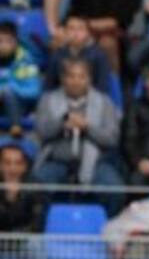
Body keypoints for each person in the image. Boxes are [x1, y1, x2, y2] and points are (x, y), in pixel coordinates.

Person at [31, 57, 123, 215]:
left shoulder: (104, 102)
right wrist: (61, 124)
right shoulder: (48, 100)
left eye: (81, 77)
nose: (76, 81)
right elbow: (41, 132)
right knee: (37, 183)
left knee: (114, 189)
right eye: (71, 76)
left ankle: (109, 231)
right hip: (57, 160)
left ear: (89, 79)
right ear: (63, 79)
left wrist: (87, 127)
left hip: (96, 163)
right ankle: (40, 230)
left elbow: (111, 139)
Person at [0, 141, 46, 259]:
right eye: (7, 163)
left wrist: (16, 199)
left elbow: (37, 225)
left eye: (17, 163)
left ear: (25, 166)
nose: (12, 168)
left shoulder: (36, 186)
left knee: (36, 245)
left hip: (23, 240)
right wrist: (7, 200)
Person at [45, 14, 110, 96]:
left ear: (88, 33)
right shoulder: (57, 55)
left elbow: (102, 86)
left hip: (91, 99)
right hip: (61, 99)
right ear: (65, 32)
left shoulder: (98, 55)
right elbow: (49, 85)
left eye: (80, 29)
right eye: (71, 29)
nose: (76, 33)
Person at [0, 21, 40, 133]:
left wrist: (8, 89)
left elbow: (34, 91)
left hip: (21, 105)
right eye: (0, 41)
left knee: (8, 92)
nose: (3, 46)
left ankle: (16, 126)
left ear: (16, 42)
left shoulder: (26, 61)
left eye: (8, 41)